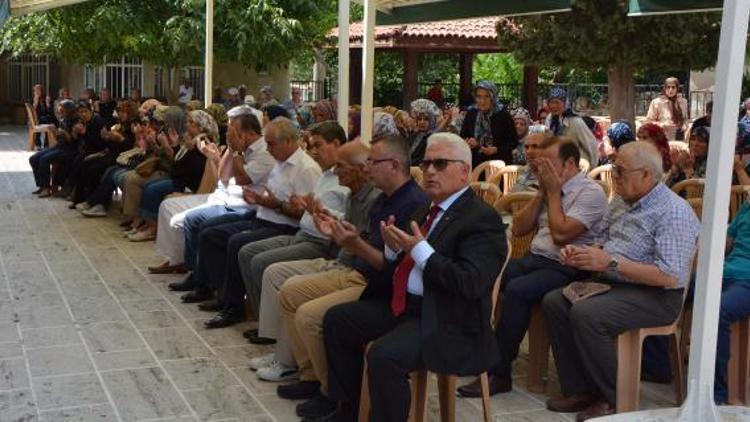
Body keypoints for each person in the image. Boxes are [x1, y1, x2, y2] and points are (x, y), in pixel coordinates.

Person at [322, 132, 508, 421]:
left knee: (384, 356)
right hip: (406, 306)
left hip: (446, 318)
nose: (430, 170)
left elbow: (470, 282)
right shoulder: (426, 208)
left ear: (464, 171)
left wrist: (419, 250)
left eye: (441, 164)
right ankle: (347, 410)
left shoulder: (482, 218)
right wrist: (394, 249)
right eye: (428, 162)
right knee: (337, 320)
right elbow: (404, 266)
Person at [268, 135, 428, 419]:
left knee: (314, 315)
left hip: (382, 288)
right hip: (366, 276)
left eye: (372, 161)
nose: (368, 167)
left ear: (394, 165)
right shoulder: (385, 200)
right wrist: (341, 231)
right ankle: (318, 383)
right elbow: (368, 244)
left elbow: (392, 269)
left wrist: (352, 243)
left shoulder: (415, 205)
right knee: (292, 293)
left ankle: (338, 397)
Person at [542, 142, 699, 421]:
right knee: (556, 301)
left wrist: (612, 263)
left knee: (587, 314)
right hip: (615, 282)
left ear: (647, 175)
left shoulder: (673, 211)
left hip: (658, 295)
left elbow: (669, 275)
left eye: (621, 171)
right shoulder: (621, 200)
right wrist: (581, 253)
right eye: (614, 168)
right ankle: (581, 390)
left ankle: (614, 398)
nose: (614, 176)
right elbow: (601, 239)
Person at [458, 136, 608, 398]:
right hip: (534, 258)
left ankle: (499, 372)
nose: (542, 169)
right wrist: (542, 192)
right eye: (541, 164)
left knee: (517, 290)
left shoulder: (591, 192)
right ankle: (474, 349)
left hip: (568, 266)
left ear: (570, 163)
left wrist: (551, 193)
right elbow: (519, 228)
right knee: (483, 277)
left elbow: (562, 235)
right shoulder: (547, 188)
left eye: (549, 163)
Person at [200, 121, 350, 330]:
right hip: (282, 224)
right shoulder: (318, 172)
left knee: (251, 254)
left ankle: (261, 321)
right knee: (222, 237)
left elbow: (314, 215)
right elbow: (304, 207)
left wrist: (286, 205)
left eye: (318, 146)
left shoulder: (310, 169)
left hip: (304, 234)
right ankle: (243, 308)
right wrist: (266, 202)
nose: (268, 149)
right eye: (312, 146)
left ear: (288, 141)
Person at [173, 117, 321, 316]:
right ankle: (215, 289)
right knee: (210, 233)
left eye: (271, 144)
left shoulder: (306, 169)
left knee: (236, 242)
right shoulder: (280, 161)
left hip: (282, 226)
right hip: (262, 216)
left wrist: (275, 204)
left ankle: (233, 306)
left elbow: (303, 214)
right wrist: (260, 200)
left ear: (288, 141)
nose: (268, 149)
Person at [150, 107, 273, 274]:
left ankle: (195, 270)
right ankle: (178, 260)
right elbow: (222, 176)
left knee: (190, 221)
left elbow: (242, 179)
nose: (228, 134)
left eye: (232, 131)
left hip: (240, 206)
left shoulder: (262, 152)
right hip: (223, 198)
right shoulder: (238, 147)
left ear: (245, 133)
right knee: (168, 207)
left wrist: (235, 151)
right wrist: (226, 152)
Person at [123, 110, 215, 240]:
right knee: (150, 186)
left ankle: (152, 228)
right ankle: (148, 224)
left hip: (189, 183)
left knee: (152, 189)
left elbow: (196, 167)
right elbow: (178, 162)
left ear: (200, 126)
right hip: (180, 177)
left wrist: (188, 149)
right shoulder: (191, 140)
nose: (187, 125)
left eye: (191, 123)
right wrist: (177, 145)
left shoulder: (202, 142)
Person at [714, 200, 750, 404]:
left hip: (747, 280)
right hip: (726, 270)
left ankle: (717, 392)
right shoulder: (748, 205)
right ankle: (658, 366)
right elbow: (728, 241)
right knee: (674, 286)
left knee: (717, 311)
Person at [460, 80, 518, 167]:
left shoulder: (502, 114)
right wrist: (469, 142)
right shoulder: (471, 113)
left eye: (487, 96)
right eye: (479, 97)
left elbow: (513, 142)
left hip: (499, 164)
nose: (482, 101)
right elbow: (463, 136)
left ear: (493, 97)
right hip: (476, 163)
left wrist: (496, 149)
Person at [29, 100, 79, 197]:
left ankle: (46, 189)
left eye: (62, 108)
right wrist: (54, 131)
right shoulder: (63, 119)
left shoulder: (75, 121)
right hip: (59, 146)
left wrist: (64, 133)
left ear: (68, 109)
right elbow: (58, 138)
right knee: (33, 158)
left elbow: (73, 141)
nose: (59, 110)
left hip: (69, 149)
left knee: (44, 159)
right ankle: (42, 185)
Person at [544, 87, 599, 167]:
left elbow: (590, 143)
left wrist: (593, 166)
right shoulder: (549, 119)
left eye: (557, 102)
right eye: (551, 102)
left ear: (565, 103)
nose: (554, 106)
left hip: (575, 165)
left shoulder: (576, 122)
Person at [646, 77, 688, 141]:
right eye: (668, 87)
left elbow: (685, 119)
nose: (670, 90)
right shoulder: (657, 102)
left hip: (679, 137)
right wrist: (662, 124)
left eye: (673, 87)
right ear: (664, 88)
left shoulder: (683, 102)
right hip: (662, 137)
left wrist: (685, 125)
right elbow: (649, 122)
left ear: (677, 88)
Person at [407, 99, 441, 166]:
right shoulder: (412, 136)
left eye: (426, 119)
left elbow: (423, 159)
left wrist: (406, 163)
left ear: (431, 121)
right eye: (419, 119)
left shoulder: (432, 138)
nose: (422, 122)